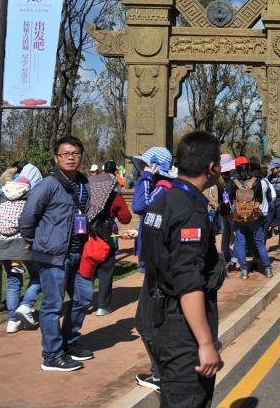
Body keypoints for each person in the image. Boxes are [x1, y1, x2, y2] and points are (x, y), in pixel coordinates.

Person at [139, 131, 225, 408]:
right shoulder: (189, 211)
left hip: (160, 316)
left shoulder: (162, 200)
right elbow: (188, 282)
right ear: (211, 168)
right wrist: (205, 342)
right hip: (182, 330)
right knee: (188, 399)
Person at [18, 136, 94, 371]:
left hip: (76, 252)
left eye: (75, 153)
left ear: (81, 156)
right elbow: (27, 216)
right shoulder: (48, 184)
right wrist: (32, 240)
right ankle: (51, 356)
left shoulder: (83, 183)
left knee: (83, 297)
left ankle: (68, 343)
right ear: (56, 158)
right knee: (52, 306)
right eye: (65, 154)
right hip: (52, 255)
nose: (70, 157)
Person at [130, 146, 177, 390]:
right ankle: (162, 371)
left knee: (146, 322)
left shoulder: (161, 187)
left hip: (158, 268)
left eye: (144, 165)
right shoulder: (161, 189)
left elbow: (139, 206)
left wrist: (146, 177)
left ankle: (161, 374)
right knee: (153, 320)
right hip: (157, 263)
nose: (139, 168)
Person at [0, 163, 43, 333]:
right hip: (24, 243)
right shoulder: (31, 195)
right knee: (40, 276)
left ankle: (12, 321)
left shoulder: (2, 193)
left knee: (14, 282)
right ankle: (26, 305)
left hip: (2, 242)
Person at [88, 170, 132, 315]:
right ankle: (103, 306)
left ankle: (82, 303)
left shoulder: (87, 194)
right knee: (105, 271)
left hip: (86, 237)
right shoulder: (115, 197)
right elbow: (125, 218)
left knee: (86, 270)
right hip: (106, 238)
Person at [228, 156, 272, 279]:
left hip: (239, 217)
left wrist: (233, 207)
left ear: (236, 167)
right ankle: (267, 269)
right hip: (254, 216)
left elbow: (228, 198)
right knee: (259, 243)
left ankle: (244, 271)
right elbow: (261, 199)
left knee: (240, 242)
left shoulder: (232, 182)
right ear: (248, 166)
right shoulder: (256, 181)